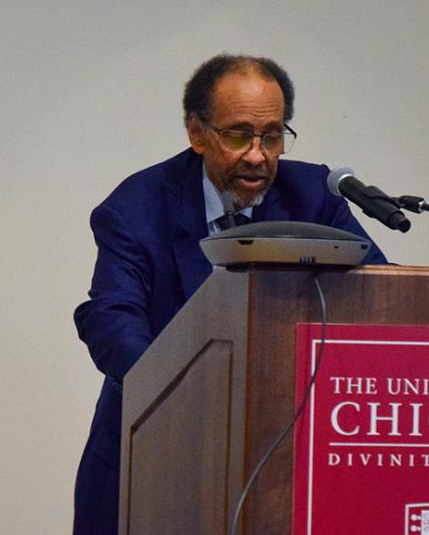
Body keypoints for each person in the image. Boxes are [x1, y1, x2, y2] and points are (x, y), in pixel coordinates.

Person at [72, 54, 387, 534]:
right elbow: (114, 316)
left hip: (284, 454)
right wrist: (181, 396)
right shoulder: (137, 207)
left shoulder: (314, 196)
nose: (258, 156)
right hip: (158, 452)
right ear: (197, 133)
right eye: (238, 135)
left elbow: (381, 294)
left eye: (273, 136)